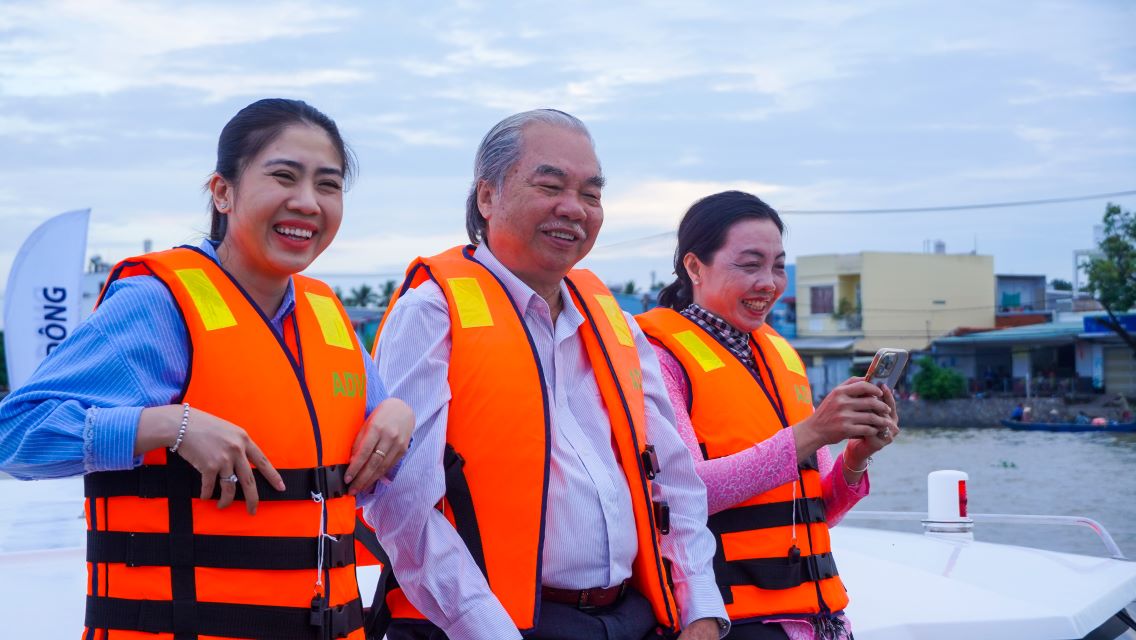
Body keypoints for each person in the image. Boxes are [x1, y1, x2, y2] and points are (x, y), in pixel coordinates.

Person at [0, 98, 413, 640]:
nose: (308, 202)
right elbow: (14, 435)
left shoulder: (327, 316)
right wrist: (170, 426)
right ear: (222, 192)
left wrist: (398, 412)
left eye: (328, 185)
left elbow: (368, 442)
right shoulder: (157, 304)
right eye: (283, 176)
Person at [361, 109, 727, 640]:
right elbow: (403, 507)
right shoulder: (432, 313)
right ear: (486, 197)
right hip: (488, 624)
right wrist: (488, 629)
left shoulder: (615, 324)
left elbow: (673, 479)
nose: (574, 209)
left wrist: (699, 610)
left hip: (632, 616)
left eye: (592, 194)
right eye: (550, 185)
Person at [636, 191, 900, 640]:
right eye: (750, 264)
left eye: (778, 265)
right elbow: (679, 497)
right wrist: (812, 432)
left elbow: (824, 510)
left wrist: (856, 455)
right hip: (730, 620)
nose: (769, 283)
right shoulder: (658, 360)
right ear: (695, 267)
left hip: (819, 622)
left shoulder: (778, 357)